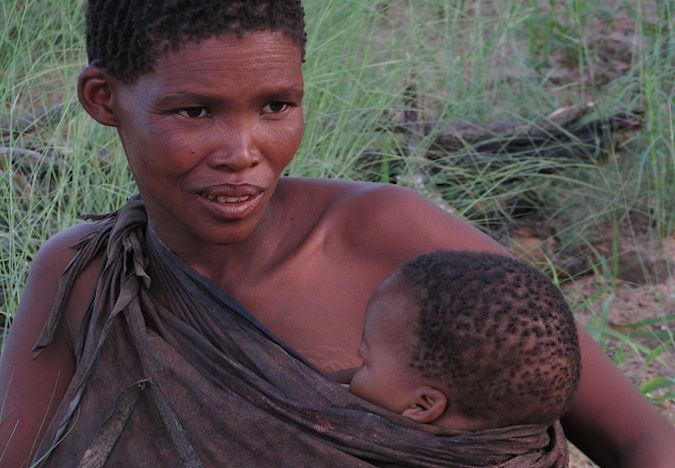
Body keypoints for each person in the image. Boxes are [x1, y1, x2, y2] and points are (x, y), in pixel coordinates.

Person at [1, 0, 674, 466]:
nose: (243, 149)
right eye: (195, 111)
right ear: (103, 99)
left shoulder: (391, 235)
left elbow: (641, 440)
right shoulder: (84, 279)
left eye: (274, 106)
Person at [349, 251, 580, 436]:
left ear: (423, 405)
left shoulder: (348, 452)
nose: (349, 375)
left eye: (364, 362)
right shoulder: (535, 449)